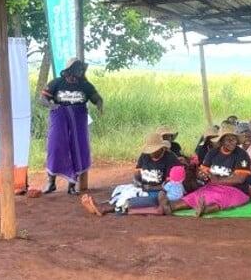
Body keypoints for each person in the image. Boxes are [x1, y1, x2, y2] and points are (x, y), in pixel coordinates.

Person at [40, 58, 104, 195]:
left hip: (78, 119)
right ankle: (51, 182)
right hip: (59, 117)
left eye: (81, 69)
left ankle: (71, 185)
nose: (80, 71)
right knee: (55, 146)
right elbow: (43, 98)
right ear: (70, 70)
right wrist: (51, 105)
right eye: (77, 68)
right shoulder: (57, 83)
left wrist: (99, 105)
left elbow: (97, 98)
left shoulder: (85, 85)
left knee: (77, 148)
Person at [81, 132, 181, 216]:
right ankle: (102, 205)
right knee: (123, 191)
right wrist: (138, 183)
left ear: (161, 148)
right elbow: (137, 173)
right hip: (143, 187)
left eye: (154, 150)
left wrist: (150, 188)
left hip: (159, 192)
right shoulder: (145, 155)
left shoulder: (170, 158)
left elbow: (169, 184)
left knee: (134, 200)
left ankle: (104, 208)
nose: (151, 153)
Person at [163, 123, 251, 217]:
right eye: (228, 139)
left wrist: (218, 180)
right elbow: (202, 171)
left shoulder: (242, 155)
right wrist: (202, 175)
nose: (232, 142)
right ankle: (171, 206)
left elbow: (240, 179)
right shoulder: (212, 153)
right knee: (195, 196)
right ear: (221, 141)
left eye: (234, 139)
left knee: (223, 199)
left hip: (236, 189)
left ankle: (206, 209)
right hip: (212, 187)